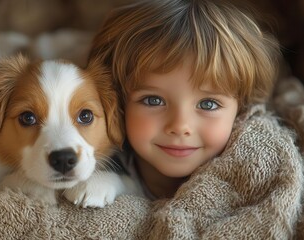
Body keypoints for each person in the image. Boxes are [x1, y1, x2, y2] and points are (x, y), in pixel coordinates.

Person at [88, 0, 281, 200]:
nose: (180, 126)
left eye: (208, 104)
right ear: (116, 101)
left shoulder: (249, 176)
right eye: (153, 100)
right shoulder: (90, 161)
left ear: (241, 108)